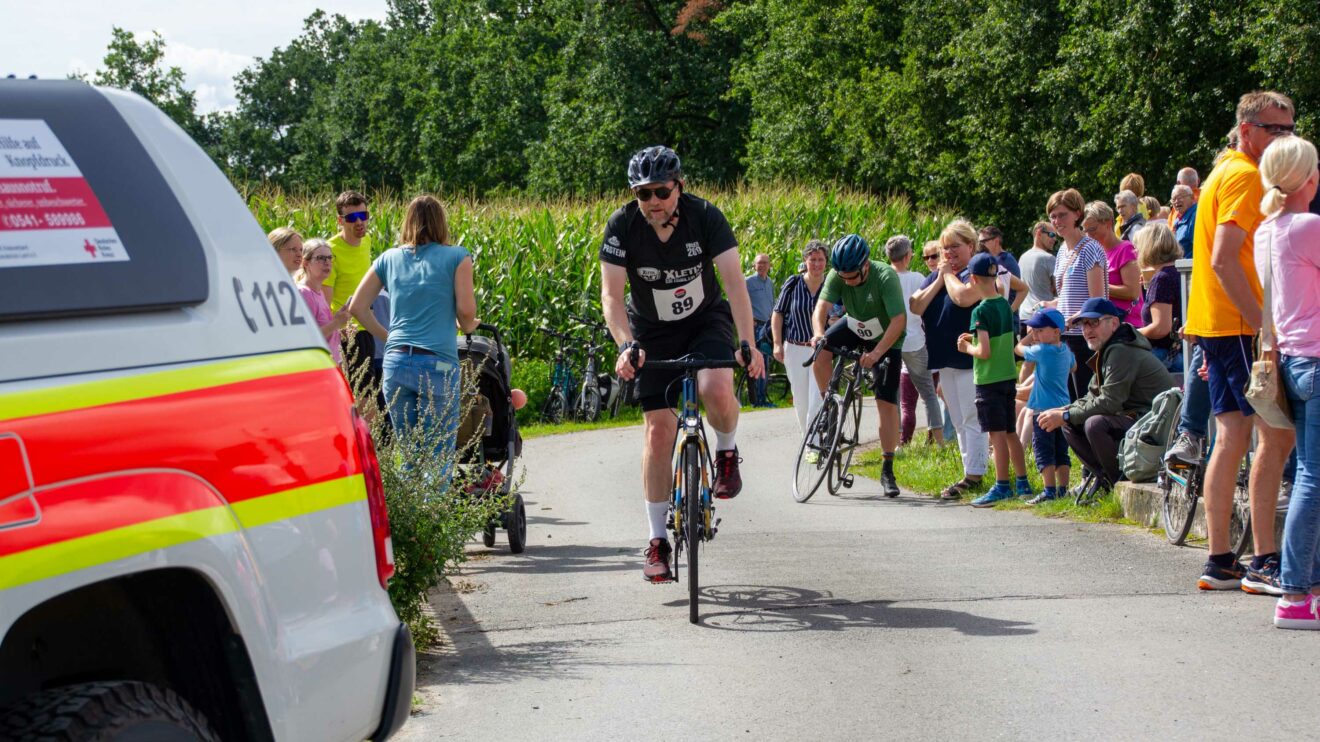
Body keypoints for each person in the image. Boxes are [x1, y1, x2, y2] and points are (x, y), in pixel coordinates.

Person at [598, 145, 763, 584]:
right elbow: (612, 296)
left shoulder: (705, 216)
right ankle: (657, 541)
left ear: (679, 187)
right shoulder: (623, 226)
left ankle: (726, 451)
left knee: (715, 388)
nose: (653, 201)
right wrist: (626, 344)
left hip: (704, 320)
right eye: (643, 193)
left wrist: (747, 342)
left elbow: (734, 284)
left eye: (661, 192)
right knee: (658, 430)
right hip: (650, 330)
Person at [1183, 90, 1298, 594]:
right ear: (1248, 130)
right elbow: (1225, 258)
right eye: (1277, 130)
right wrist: (1262, 327)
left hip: (1216, 323)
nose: (1286, 138)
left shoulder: (1224, 169)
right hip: (1235, 326)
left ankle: (1222, 559)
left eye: (1292, 129)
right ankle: (1264, 560)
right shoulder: (1247, 176)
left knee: (1232, 438)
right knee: (1274, 438)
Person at [348, 194, 479, 487]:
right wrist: (468, 325)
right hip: (438, 364)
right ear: (441, 223)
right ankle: (432, 527)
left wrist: (389, 336)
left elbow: (357, 307)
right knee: (438, 453)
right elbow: (466, 310)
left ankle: (410, 527)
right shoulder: (458, 256)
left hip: (396, 364)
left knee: (408, 453)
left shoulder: (388, 258)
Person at [1253, 135, 1320, 627]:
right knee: (1312, 479)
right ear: (1309, 178)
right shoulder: (1307, 227)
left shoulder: (1267, 230)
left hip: (1290, 362)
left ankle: (1306, 589)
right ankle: (1295, 594)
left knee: (1305, 477)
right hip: (1315, 360)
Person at [1036, 298, 1174, 496]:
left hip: (1156, 426)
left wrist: (1065, 415)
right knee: (1071, 421)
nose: (1088, 330)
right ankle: (1106, 480)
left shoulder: (1121, 350)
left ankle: (1118, 484)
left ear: (1114, 323)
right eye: (1084, 324)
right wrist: (1063, 412)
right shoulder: (1109, 349)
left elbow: (1110, 402)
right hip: (1139, 420)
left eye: (1095, 322)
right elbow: (1091, 396)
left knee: (1095, 424)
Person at [811, 234, 906, 498]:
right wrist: (819, 333)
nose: (848, 282)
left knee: (886, 403)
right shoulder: (838, 275)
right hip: (856, 325)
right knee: (821, 351)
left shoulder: (885, 276)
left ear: (865, 265)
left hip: (886, 338)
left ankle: (887, 467)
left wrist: (876, 354)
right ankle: (829, 404)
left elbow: (899, 320)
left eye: (853, 276)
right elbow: (821, 308)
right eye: (844, 277)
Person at [911, 220, 989, 499]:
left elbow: (963, 298)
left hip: (969, 356)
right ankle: (970, 470)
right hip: (944, 356)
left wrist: (945, 275)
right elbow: (916, 304)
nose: (949, 253)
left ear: (970, 246)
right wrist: (941, 276)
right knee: (957, 418)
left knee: (972, 415)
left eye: (955, 247)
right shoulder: (940, 274)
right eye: (944, 248)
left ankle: (976, 473)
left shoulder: (976, 271)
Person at [957, 253, 1032, 505]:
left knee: (996, 435)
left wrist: (968, 348)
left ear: (974, 279)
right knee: (1010, 432)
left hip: (988, 380)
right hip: (1008, 376)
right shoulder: (1002, 304)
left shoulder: (979, 311)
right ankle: (1022, 481)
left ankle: (1001, 485)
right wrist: (975, 339)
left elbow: (984, 352)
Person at [1048, 188, 1108, 399]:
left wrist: (1075, 319)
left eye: (1062, 214)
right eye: (1053, 216)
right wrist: (1048, 306)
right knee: (1067, 400)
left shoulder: (1090, 248)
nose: (1057, 221)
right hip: (1064, 338)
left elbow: (1097, 301)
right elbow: (1066, 297)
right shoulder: (1062, 251)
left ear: (1077, 214)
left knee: (1084, 399)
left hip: (1085, 339)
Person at [325, 191, 382, 405]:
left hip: (367, 325)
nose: (359, 222)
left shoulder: (366, 240)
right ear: (340, 221)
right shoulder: (331, 251)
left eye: (363, 215)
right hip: (347, 333)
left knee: (369, 392)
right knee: (361, 397)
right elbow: (324, 302)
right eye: (351, 218)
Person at [887, 235, 942, 446]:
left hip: (890, 341)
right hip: (916, 341)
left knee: (894, 395)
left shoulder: (884, 277)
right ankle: (938, 443)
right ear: (908, 255)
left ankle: (896, 442)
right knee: (928, 393)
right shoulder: (918, 278)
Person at [1017, 308, 1075, 504]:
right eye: (1034, 330)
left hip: (1042, 410)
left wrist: (1026, 339)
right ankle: (1063, 489)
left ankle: (1049, 490)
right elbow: (1073, 367)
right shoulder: (1066, 350)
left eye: (1040, 330)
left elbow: (1018, 350)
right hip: (1062, 410)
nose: (1035, 333)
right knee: (1061, 451)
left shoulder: (1042, 351)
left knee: (1043, 451)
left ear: (1057, 331)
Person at [772, 240, 828, 433]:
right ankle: (807, 438)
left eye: (821, 259)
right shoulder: (793, 283)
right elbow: (778, 313)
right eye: (813, 259)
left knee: (817, 398)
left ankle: (813, 444)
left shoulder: (831, 285)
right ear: (805, 260)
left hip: (821, 351)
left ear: (826, 262)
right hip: (795, 349)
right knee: (801, 400)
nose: (817, 264)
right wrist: (777, 344)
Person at [1083, 201, 1144, 327]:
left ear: (1109, 223)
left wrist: (1097, 285)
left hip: (1127, 325)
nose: (1089, 235)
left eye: (1093, 229)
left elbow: (1133, 292)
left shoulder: (1126, 249)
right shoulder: (1096, 253)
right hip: (1105, 324)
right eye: (1086, 230)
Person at [1133, 222, 1184, 372]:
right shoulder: (1178, 271)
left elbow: (1161, 328)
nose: (1136, 251)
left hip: (1166, 356)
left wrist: (1130, 333)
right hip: (1182, 353)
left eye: (1138, 247)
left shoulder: (1162, 278)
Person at [295, 238, 349, 363]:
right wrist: (337, 322)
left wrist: (339, 331)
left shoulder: (318, 292)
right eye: (320, 258)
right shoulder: (304, 293)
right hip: (316, 366)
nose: (327, 262)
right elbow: (308, 338)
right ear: (306, 263)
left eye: (330, 258)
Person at [976, 225, 1029, 318]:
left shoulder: (1003, 261)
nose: (980, 245)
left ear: (996, 241)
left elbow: (1001, 288)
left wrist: (1009, 311)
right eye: (979, 242)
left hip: (1005, 322)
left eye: (983, 241)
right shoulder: (996, 259)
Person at [745, 252, 776, 407]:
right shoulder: (748, 282)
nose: (763, 265)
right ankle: (757, 400)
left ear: (769, 266)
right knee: (758, 362)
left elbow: (773, 304)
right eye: (760, 263)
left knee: (766, 362)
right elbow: (736, 301)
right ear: (754, 265)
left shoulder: (769, 282)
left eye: (765, 262)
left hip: (767, 328)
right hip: (756, 327)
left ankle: (763, 398)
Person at [1018, 222, 1058, 331]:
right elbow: (1058, 289)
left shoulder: (1022, 257)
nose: (1054, 239)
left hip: (1023, 317)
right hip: (1042, 318)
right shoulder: (1049, 258)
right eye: (1051, 235)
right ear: (1039, 233)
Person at [1169, 184, 1198, 258]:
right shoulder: (1178, 218)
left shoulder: (1195, 217)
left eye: (1180, 197)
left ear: (1192, 197)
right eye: (1173, 199)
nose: (1176, 201)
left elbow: (1198, 246)